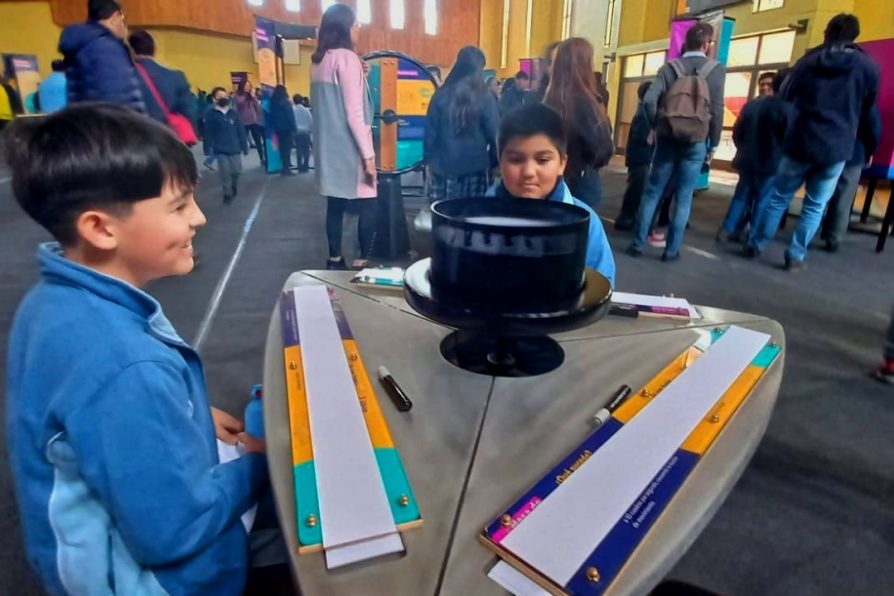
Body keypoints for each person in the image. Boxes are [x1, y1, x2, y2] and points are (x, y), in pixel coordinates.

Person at [2, 104, 269, 596]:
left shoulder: (54, 299)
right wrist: (262, 465)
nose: (200, 217)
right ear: (101, 228)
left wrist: (189, 413)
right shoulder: (124, 364)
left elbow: (97, 409)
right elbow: (175, 530)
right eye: (179, 206)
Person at [745, 14, 880, 270]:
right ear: (855, 35)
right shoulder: (867, 68)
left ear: (827, 32)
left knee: (779, 197)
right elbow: (868, 111)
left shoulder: (807, 62)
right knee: (815, 205)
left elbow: (785, 94)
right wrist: (870, 145)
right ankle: (795, 255)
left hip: (800, 140)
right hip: (837, 146)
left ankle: (756, 242)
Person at [626, 22, 726, 262]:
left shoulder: (669, 68)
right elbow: (718, 109)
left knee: (652, 193)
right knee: (684, 197)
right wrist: (713, 142)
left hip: (668, 138)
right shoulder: (716, 70)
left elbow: (650, 101)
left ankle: (638, 244)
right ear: (706, 45)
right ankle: (671, 251)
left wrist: (656, 127)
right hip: (696, 141)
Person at [486, 103, 616, 286]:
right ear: (500, 162)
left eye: (543, 160)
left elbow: (601, 285)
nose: (529, 171)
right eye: (516, 159)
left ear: (562, 163)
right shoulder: (481, 218)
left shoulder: (586, 224)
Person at [311, 3, 377, 270]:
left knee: (335, 204)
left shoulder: (319, 60)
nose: (359, 27)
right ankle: (363, 260)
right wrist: (369, 157)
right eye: (356, 23)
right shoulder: (347, 59)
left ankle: (334, 258)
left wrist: (361, 73)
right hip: (352, 149)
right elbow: (354, 113)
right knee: (369, 202)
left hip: (328, 149)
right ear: (345, 28)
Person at [717, 71, 791, 243]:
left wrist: (743, 149)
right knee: (762, 200)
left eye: (768, 84)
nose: (764, 87)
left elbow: (738, 132)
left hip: (748, 160)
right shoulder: (786, 108)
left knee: (741, 197)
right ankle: (753, 237)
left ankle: (726, 230)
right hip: (771, 162)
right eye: (762, 84)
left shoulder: (750, 106)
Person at [544, 37, 614, 211]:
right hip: (582, 182)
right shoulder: (587, 102)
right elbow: (603, 150)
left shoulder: (547, 100)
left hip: (551, 182)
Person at [423, 46, 499, 202]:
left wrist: (427, 160)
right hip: (475, 167)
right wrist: (494, 163)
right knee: (472, 216)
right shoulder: (486, 96)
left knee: (443, 215)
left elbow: (430, 133)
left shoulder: (440, 95)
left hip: (442, 166)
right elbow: (495, 134)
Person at [58, 0, 145, 113]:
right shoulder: (105, 48)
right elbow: (118, 101)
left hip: (87, 124)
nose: (124, 26)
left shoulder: (84, 44)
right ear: (115, 17)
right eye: (122, 20)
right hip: (112, 127)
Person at [821, 102, 882, 252]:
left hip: (828, 149)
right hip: (854, 152)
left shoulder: (833, 92)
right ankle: (833, 237)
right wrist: (869, 151)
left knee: (820, 191)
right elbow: (874, 130)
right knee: (843, 197)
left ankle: (809, 230)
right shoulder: (864, 102)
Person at [128, 30, 196, 129]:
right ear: (153, 50)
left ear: (132, 51)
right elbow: (190, 112)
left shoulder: (126, 75)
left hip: (135, 137)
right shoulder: (176, 77)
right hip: (168, 137)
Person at [615, 81, 654, 231]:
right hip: (640, 157)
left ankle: (627, 218)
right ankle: (626, 219)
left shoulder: (643, 111)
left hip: (638, 157)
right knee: (636, 189)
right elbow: (645, 137)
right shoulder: (645, 113)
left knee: (635, 189)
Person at [204, 86, 248, 203]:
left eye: (225, 96)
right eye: (220, 97)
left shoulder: (233, 113)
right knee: (225, 173)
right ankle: (227, 193)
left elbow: (240, 130)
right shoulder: (211, 114)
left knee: (237, 171)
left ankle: (234, 185)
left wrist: (244, 145)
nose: (223, 98)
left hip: (235, 147)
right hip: (220, 148)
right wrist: (207, 147)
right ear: (214, 99)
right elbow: (208, 132)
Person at [235, 80, 266, 166]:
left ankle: (262, 158)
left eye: (249, 85)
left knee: (258, 141)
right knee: (241, 140)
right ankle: (238, 159)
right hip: (243, 122)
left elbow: (258, 108)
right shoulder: (237, 95)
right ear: (242, 86)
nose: (248, 87)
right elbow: (238, 105)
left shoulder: (251, 96)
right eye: (246, 85)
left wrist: (254, 98)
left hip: (253, 121)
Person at [269, 85, 297, 176]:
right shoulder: (286, 102)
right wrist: (294, 127)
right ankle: (286, 169)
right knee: (287, 149)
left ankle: (283, 167)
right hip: (287, 129)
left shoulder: (272, 103)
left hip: (277, 128)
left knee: (281, 148)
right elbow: (290, 116)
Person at [293, 93, 313, 173]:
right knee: (306, 151)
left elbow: (292, 122)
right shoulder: (306, 111)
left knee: (299, 150)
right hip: (306, 133)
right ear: (302, 101)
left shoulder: (293, 110)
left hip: (297, 133)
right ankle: (306, 166)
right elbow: (311, 121)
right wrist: (310, 131)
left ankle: (299, 166)